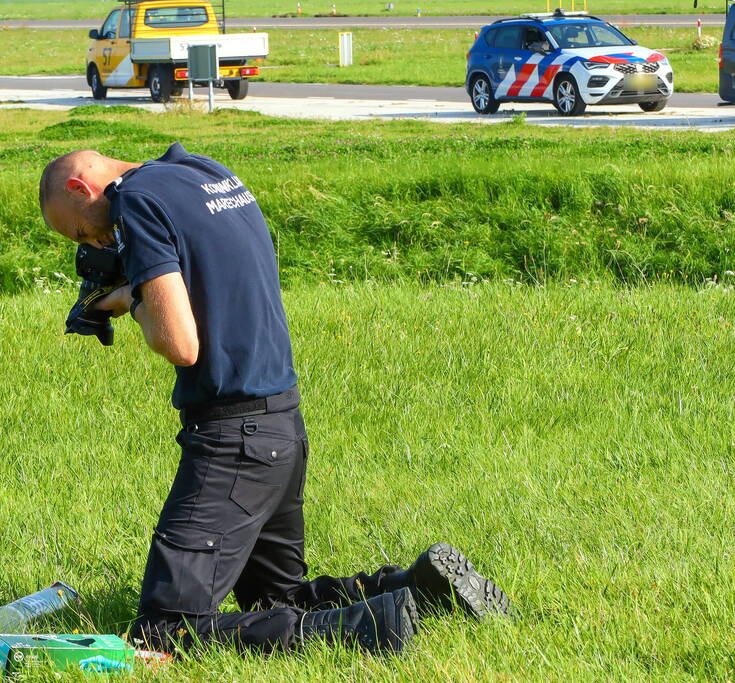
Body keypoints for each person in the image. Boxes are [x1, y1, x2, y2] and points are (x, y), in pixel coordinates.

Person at [38, 143, 511, 655]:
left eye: (83, 230)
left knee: (162, 631)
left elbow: (179, 343)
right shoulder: (199, 170)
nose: (101, 240)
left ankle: (369, 629)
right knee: (273, 598)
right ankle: (418, 588)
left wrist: (130, 297)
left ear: (79, 188)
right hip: (281, 421)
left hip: (231, 439)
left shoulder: (136, 202)